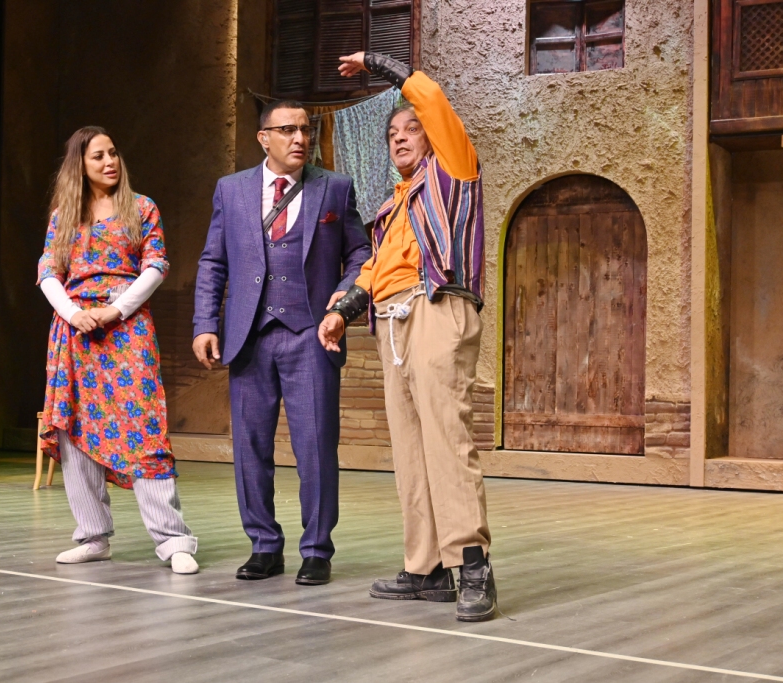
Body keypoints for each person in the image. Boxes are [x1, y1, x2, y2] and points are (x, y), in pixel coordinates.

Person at [320, 53, 497, 621]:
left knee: (447, 438)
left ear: (432, 136)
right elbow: (377, 269)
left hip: (436, 309)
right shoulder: (395, 204)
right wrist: (343, 309)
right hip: (392, 321)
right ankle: (427, 568)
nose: (399, 137)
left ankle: (472, 564)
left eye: (410, 128)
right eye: (392, 133)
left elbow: (434, 102)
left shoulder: (453, 171)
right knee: (410, 448)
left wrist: (379, 64)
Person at [193, 101, 371, 585]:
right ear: (263, 137)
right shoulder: (231, 190)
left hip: (311, 335)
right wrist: (205, 324)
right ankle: (264, 545)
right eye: (288, 130)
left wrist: (343, 300)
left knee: (315, 446)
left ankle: (316, 550)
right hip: (248, 335)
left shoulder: (335, 187)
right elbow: (213, 261)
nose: (300, 139)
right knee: (250, 448)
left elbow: (361, 253)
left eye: (305, 130)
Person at [38, 126, 199, 574]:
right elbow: (48, 271)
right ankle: (93, 536)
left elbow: (156, 265)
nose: (110, 162)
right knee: (75, 427)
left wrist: (116, 309)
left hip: (126, 329)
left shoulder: (141, 207)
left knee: (144, 427)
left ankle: (173, 540)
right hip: (75, 334)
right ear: (80, 165)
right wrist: (74, 314)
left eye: (113, 153)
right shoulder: (64, 217)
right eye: (99, 156)